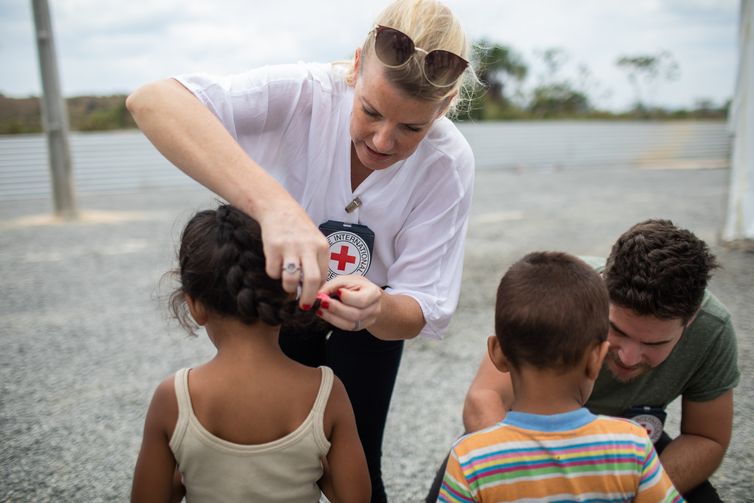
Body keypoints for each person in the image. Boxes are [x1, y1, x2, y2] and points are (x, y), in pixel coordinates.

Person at [126, 1, 476, 499]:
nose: (382, 140)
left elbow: (421, 308)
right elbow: (152, 101)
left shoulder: (449, 163)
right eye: (371, 111)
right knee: (258, 448)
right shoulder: (301, 93)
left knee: (359, 460)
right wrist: (274, 207)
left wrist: (377, 307)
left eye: (411, 129)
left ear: (443, 108)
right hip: (275, 298)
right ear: (356, 67)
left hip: (367, 326)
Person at [430, 219, 739, 502]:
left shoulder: (713, 330)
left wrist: (629, 486)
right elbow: (486, 395)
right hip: (523, 437)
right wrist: (524, 477)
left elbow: (706, 437)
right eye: (616, 331)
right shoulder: (562, 292)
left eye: (654, 343)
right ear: (601, 287)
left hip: (629, 452)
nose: (628, 357)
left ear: (692, 318)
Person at [130, 204, 370, 502]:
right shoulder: (326, 392)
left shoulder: (173, 398)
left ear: (195, 305)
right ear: (287, 292)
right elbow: (356, 498)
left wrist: (188, 472)